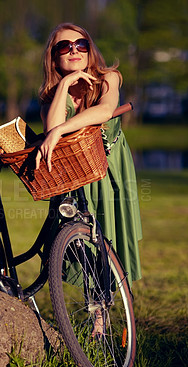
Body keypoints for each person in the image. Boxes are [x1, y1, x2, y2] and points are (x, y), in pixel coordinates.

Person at [35, 23, 142, 335]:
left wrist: (58, 131)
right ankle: (97, 314)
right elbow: (51, 121)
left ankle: (107, 311)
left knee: (108, 236)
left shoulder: (109, 78)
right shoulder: (52, 96)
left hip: (111, 172)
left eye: (81, 44)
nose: (73, 51)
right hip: (74, 173)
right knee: (81, 241)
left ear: (90, 48)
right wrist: (66, 84)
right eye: (63, 47)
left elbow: (105, 112)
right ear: (53, 58)